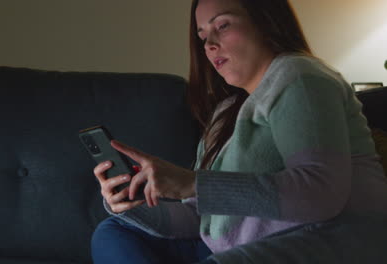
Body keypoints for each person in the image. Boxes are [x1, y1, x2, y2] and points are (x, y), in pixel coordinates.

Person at [91, 0, 387, 263]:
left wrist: (194, 184)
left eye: (223, 25)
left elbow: (321, 192)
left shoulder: (299, 75)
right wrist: (130, 202)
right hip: (226, 247)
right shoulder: (226, 110)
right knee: (115, 228)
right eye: (203, 35)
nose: (209, 45)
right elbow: (199, 218)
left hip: (324, 240)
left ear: (265, 20)